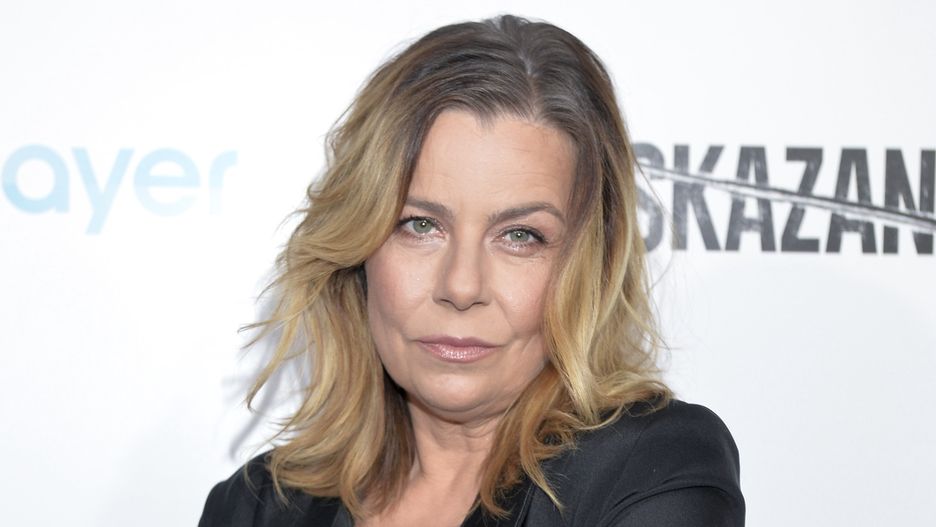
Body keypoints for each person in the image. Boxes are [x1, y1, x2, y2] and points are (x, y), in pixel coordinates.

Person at [199, 14, 744, 527]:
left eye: (520, 235)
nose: (461, 286)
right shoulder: (255, 507)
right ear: (358, 251)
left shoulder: (652, 470)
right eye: (420, 225)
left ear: (590, 267)